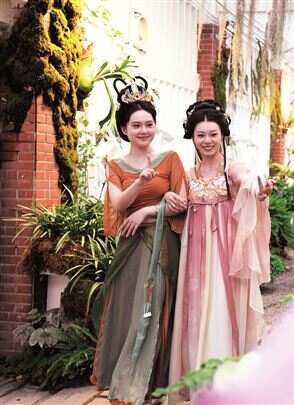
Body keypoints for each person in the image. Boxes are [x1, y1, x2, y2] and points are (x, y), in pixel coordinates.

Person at [91, 76, 187, 405]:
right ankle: (128, 379)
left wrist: (147, 211)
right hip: (130, 248)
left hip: (160, 245)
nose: (144, 130)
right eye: (136, 125)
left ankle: (143, 382)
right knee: (129, 309)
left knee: (152, 305)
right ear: (124, 129)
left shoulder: (171, 159)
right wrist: (140, 183)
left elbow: (181, 203)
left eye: (149, 124)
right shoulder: (115, 165)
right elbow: (119, 204)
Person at [169, 100, 273, 399]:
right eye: (200, 135)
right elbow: (176, 206)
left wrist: (259, 189)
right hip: (194, 257)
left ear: (223, 134)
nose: (207, 141)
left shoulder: (232, 170)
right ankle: (201, 385)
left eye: (213, 134)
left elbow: (248, 181)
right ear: (192, 137)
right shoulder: (187, 174)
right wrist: (166, 201)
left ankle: (228, 384)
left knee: (223, 311)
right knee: (195, 312)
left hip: (226, 256)